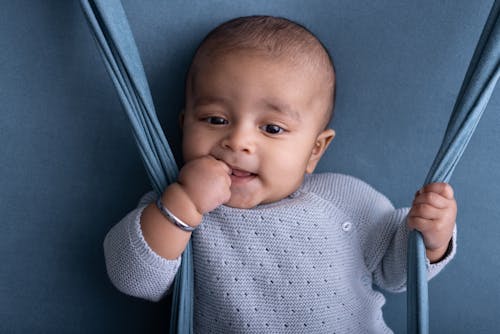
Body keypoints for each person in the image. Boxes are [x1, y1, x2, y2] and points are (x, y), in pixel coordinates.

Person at [103, 15, 457, 333]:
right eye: (215, 120)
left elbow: (396, 272)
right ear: (184, 127)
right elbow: (133, 277)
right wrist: (184, 201)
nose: (238, 141)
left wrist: (432, 238)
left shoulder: (343, 198)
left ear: (315, 150)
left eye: (272, 128)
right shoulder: (176, 211)